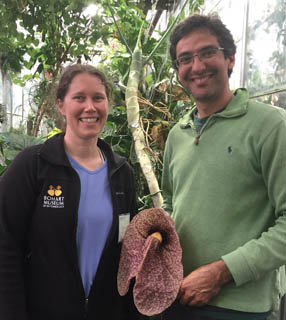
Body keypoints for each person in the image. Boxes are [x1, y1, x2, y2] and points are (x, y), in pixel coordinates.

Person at [161, 13, 286, 320]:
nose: (197, 66)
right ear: (178, 70)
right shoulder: (178, 134)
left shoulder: (269, 126)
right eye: (185, 58)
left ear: (230, 59)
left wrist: (222, 272)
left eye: (207, 52)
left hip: (240, 309)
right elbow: (169, 201)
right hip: (177, 298)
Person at [0, 64, 141, 320]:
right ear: (62, 106)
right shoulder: (33, 166)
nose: (90, 107)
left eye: (98, 98)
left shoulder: (122, 174)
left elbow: (129, 254)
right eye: (79, 97)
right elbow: (5, 245)